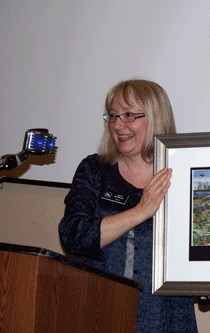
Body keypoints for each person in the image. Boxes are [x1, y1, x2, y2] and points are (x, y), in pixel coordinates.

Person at [59, 79, 198, 332]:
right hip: (99, 313)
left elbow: (201, 250)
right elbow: (73, 236)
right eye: (112, 116)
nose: (118, 125)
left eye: (129, 115)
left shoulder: (184, 173)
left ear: (155, 117)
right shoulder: (95, 170)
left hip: (165, 321)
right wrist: (141, 211)